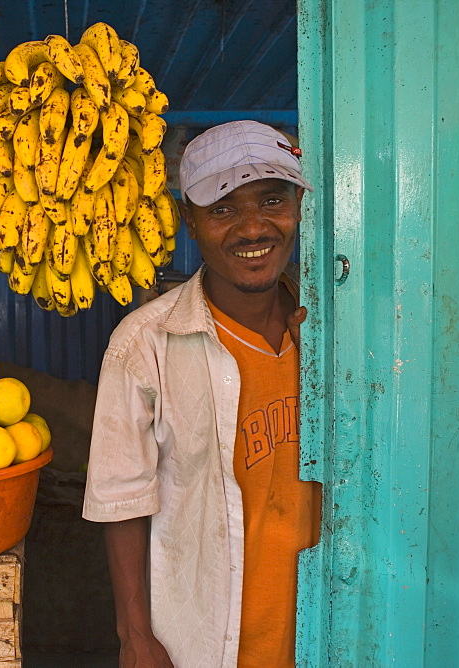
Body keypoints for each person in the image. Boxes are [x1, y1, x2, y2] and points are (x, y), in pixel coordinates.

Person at [82, 120, 322, 667]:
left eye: (271, 200)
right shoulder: (145, 344)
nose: (253, 227)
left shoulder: (335, 333)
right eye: (222, 209)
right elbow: (122, 498)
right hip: (204, 635)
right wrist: (134, 636)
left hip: (325, 624)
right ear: (189, 221)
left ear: (298, 206)